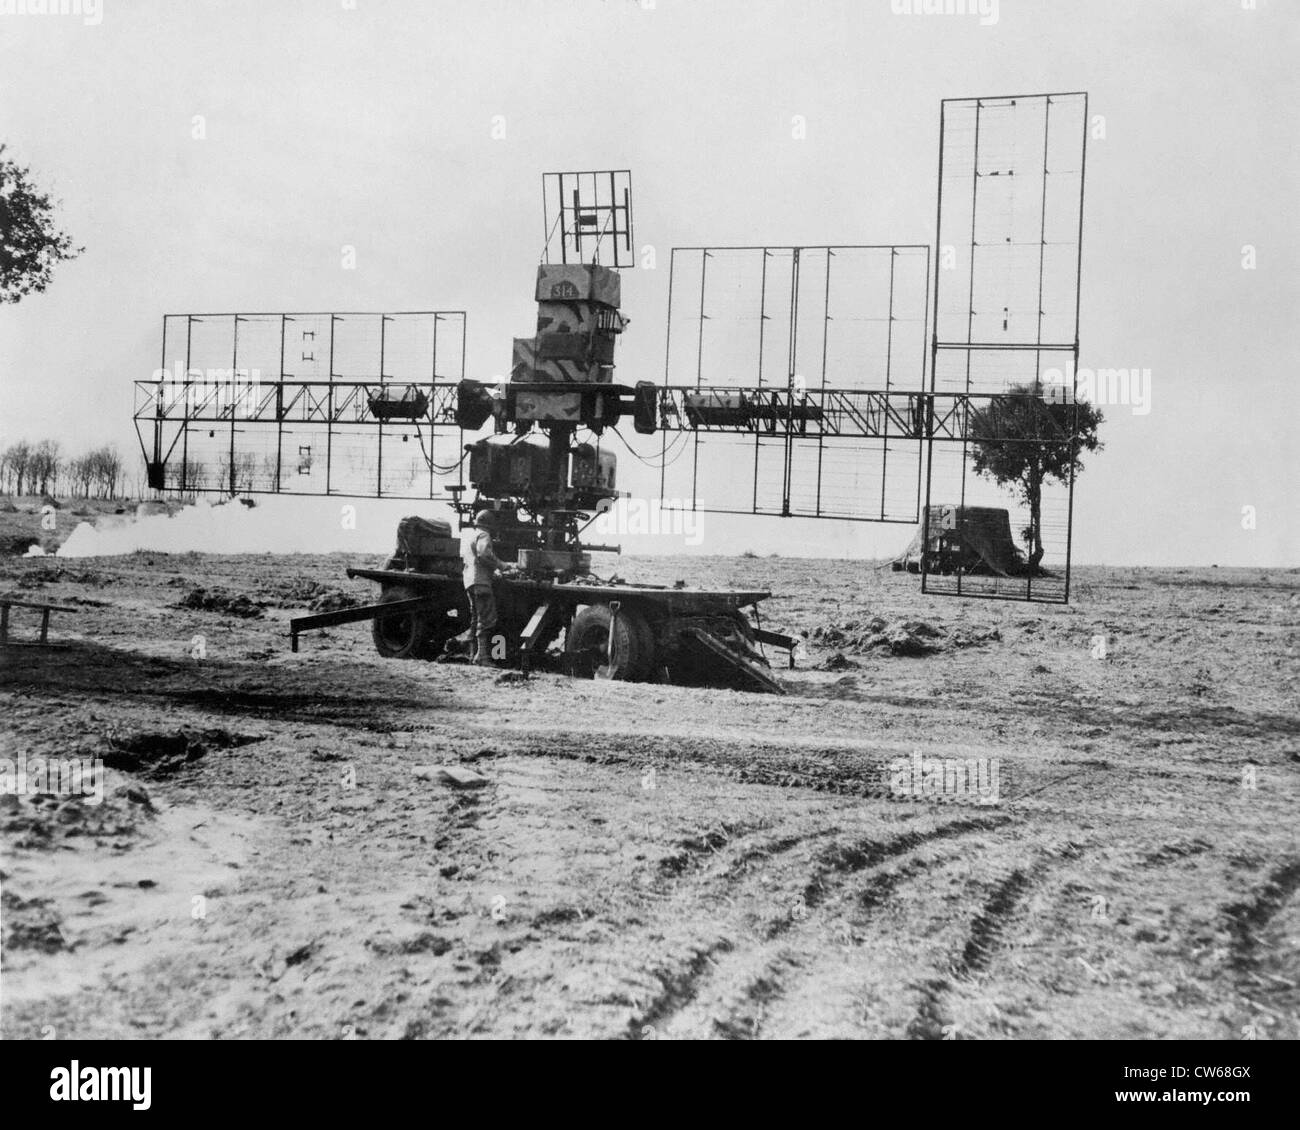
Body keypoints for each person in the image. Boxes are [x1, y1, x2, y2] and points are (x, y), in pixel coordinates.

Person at [461, 509, 504, 665]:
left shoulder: (471, 534)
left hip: (470, 581)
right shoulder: (484, 535)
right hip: (481, 583)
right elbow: (484, 554)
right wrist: (502, 565)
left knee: (475, 618)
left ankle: (473, 654)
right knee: (487, 618)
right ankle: (483, 657)